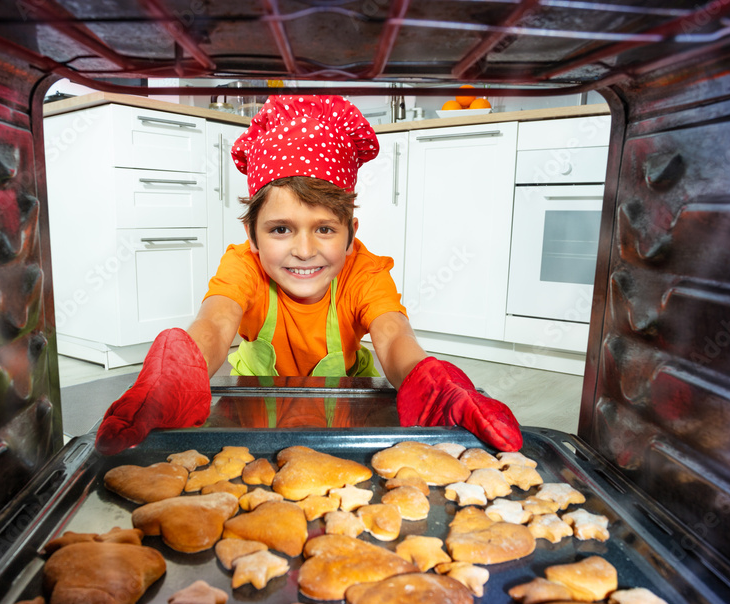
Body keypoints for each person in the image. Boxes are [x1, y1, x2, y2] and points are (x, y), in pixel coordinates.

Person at [95, 95, 522, 455]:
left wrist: (431, 384)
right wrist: (177, 374)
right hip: (253, 406)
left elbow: (393, 336)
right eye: (281, 229)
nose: (303, 251)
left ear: (351, 233)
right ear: (253, 235)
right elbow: (215, 321)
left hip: (348, 409)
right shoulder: (244, 266)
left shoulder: (364, 271)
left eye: (325, 229)